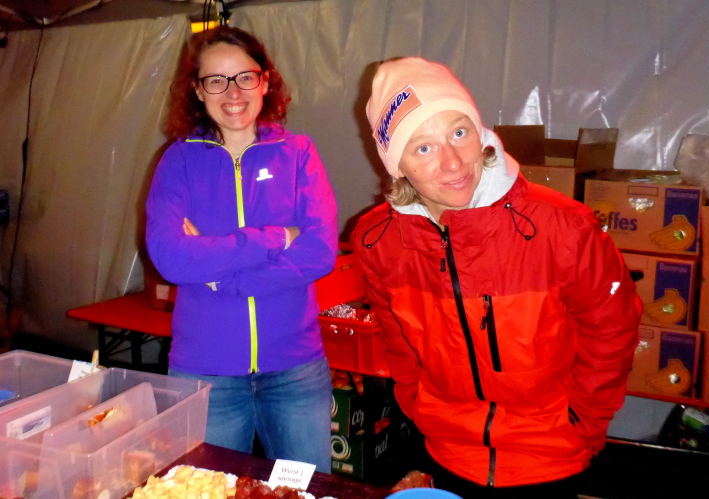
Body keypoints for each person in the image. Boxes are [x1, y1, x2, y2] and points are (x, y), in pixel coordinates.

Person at [351, 57, 643, 497]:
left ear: (480, 132)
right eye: (423, 148)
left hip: (548, 456)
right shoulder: (378, 240)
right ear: (397, 165)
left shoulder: (563, 227)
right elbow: (397, 339)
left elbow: (612, 330)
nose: (453, 163)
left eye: (459, 132)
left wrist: (582, 420)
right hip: (448, 450)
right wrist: (418, 403)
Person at [145, 26, 338, 472]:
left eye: (245, 77)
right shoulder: (178, 160)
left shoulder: (298, 153)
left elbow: (320, 251)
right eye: (216, 80)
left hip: (295, 370)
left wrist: (222, 276)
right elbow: (172, 258)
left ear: (265, 82)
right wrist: (275, 237)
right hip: (205, 374)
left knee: (304, 491)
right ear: (198, 90)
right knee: (206, 491)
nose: (233, 92)